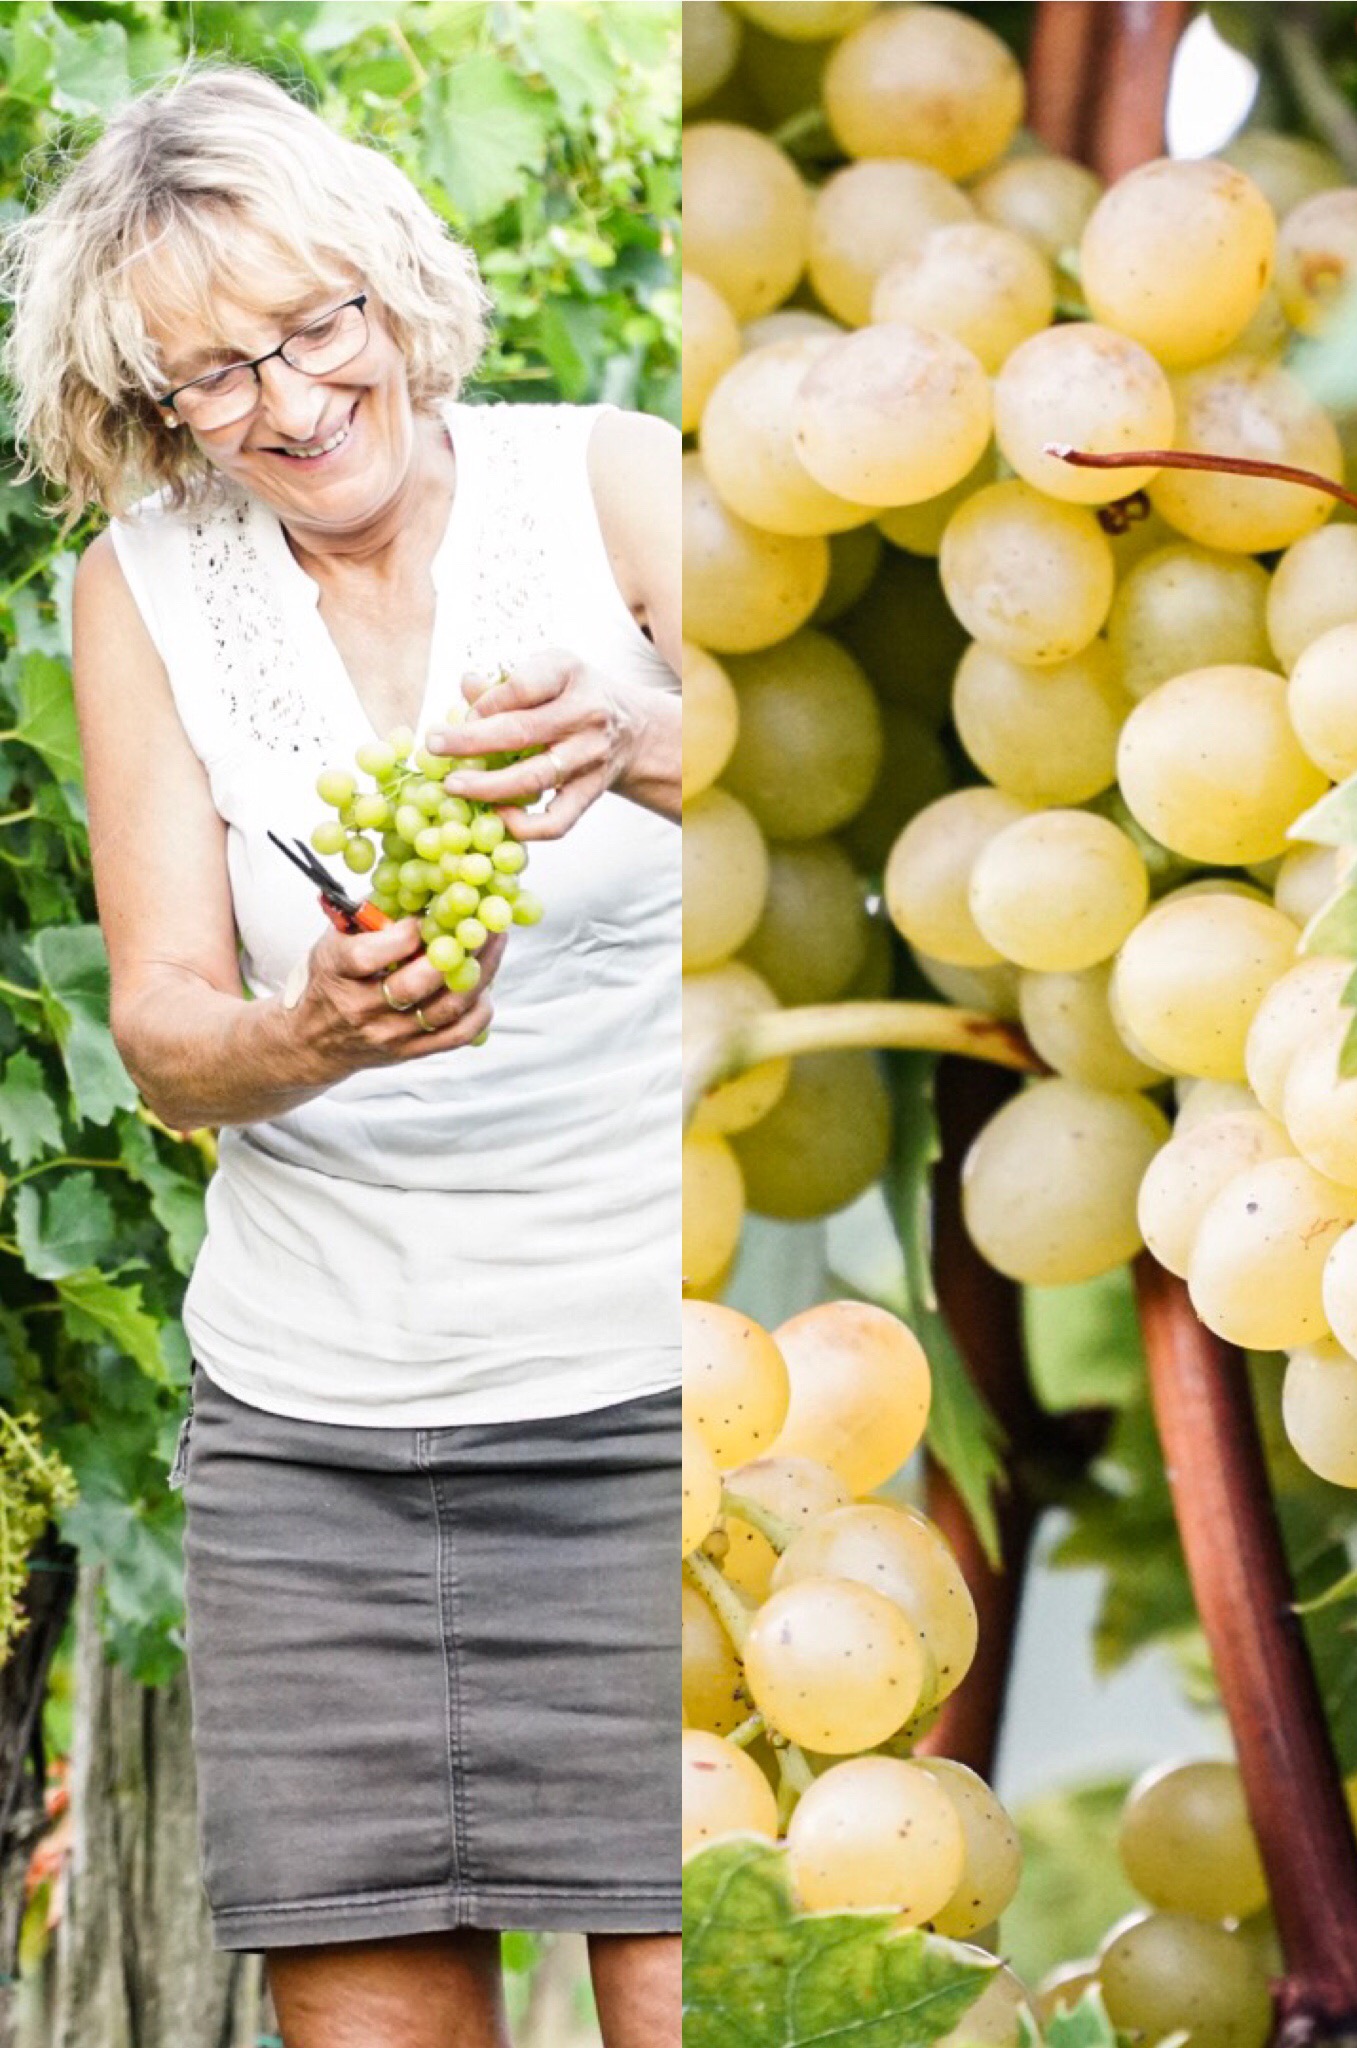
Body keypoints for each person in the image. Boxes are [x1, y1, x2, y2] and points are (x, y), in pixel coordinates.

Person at [1, 65, 686, 2048]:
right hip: (322, 1445)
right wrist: (305, 1036)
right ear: (150, 401)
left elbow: (847, 809)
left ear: (393, 293)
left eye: (315, 330)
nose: (289, 406)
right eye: (215, 375)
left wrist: (638, 737)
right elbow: (165, 1034)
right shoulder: (142, 597)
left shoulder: (614, 486)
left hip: (645, 1406)